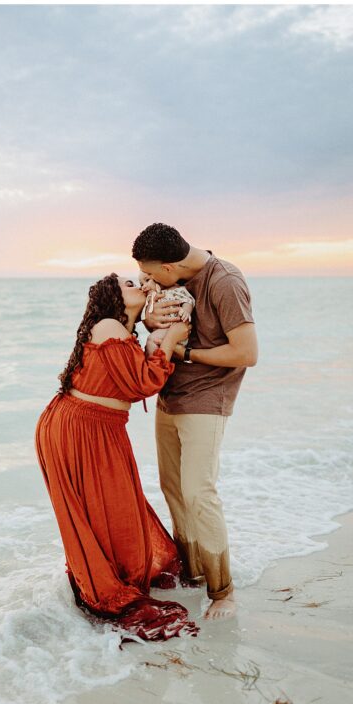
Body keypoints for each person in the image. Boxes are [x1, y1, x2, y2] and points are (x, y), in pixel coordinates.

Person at [35, 273, 197, 641]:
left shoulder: (120, 330)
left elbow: (137, 376)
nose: (137, 284)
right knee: (109, 508)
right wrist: (171, 339)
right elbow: (143, 384)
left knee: (112, 507)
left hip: (95, 428)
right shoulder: (108, 325)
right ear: (114, 299)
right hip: (80, 429)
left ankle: (113, 573)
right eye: (127, 284)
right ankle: (106, 583)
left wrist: (156, 330)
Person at [133, 223, 258, 620]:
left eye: (152, 273)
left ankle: (224, 592)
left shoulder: (224, 282)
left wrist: (185, 353)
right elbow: (157, 322)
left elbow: (246, 352)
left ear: (170, 265)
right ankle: (193, 572)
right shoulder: (171, 281)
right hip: (171, 396)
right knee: (173, 489)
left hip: (207, 398)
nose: (147, 279)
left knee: (198, 492)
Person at [138, 271, 195, 358]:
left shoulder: (175, 290)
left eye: (147, 280)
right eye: (141, 284)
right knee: (153, 342)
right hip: (165, 331)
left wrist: (186, 311)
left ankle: (153, 366)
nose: (144, 286)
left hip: (175, 329)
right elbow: (145, 317)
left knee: (151, 340)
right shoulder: (151, 298)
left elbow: (188, 301)